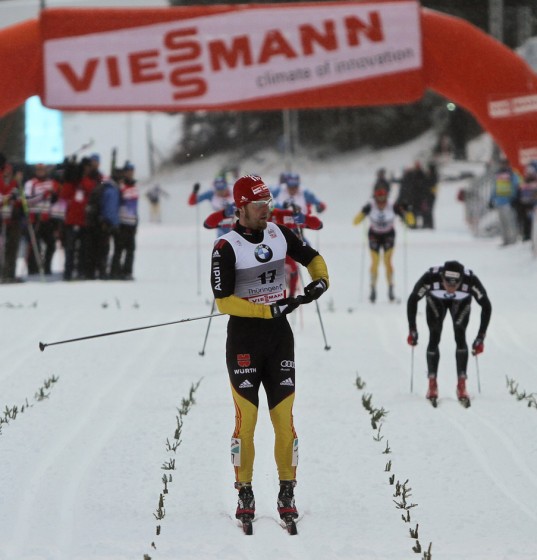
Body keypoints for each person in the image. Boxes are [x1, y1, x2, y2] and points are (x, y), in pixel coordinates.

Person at [210, 174, 329, 529]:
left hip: (279, 339)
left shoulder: (278, 234)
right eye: (259, 204)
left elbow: (313, 257)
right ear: (241, 207)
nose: (267, 210)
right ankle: (244, 491)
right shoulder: (226, 246)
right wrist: (266, 309)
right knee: (246, 423)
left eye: (268, 203)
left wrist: (320, 279)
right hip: (244, 341)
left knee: (284, 421)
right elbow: (223, 301)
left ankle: (286, 490)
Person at [406, 260, 492, 405]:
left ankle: (461, 384)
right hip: (435, 300)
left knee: (460, 335)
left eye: (455, 285)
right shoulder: (431, 277)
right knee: (434, 335)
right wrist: (412, 329)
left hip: (461, 301)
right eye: (447, 283)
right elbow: (413, 298)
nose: (450, 288)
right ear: (442, 277)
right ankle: (432, 384)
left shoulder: (470, 280)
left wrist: (480, 337)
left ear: (461, 281)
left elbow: (486, 305)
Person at [353, 187, 414, 303]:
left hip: (388, 235)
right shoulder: (371, 205)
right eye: (378, 200)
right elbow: (355, 222)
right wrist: (363, 212)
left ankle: (391, 288)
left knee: (387, 261)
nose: (381, 203)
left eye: (383, 199)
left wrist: (408, 210)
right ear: (375, 198)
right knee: (375, 262)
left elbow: (410, 222)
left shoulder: (392, 205)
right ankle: (373, 288)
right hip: (374, 235)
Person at [111, 161, 139, 280]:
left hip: (131, 222)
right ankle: (115, 271)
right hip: (122, 223)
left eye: (132, 171)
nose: (130, 173)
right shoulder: (120, 186)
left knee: (131, 249)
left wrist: (137, 220)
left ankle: (127, 272)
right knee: (119, 249)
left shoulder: (135, 186)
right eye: (128, 171)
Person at [489, 156, 520, 246]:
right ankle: (506, 240)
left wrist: (514, 198)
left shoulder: (512, 174)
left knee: (510, 222)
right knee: (502, 223)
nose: (503, 165)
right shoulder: (498, 174)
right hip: (499, 202)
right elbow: (495, 187)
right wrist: (491, 200)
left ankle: (513, 241)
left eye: (504, 163)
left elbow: (515, 186)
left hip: (508, 202)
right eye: (501, 163)